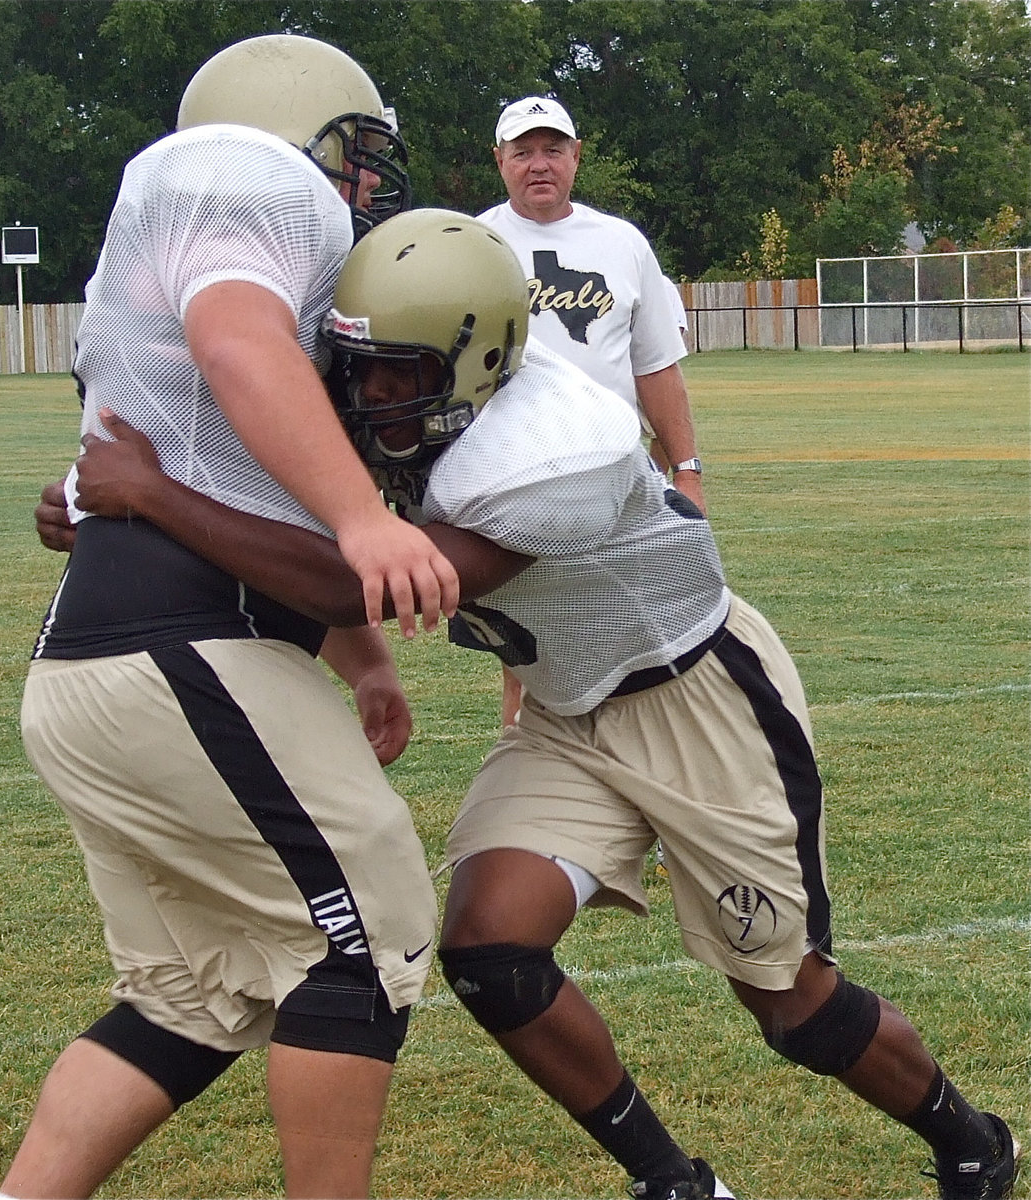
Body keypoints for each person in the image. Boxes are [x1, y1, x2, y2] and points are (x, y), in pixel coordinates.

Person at [57, 208, 1020, 1200]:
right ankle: (673, 1184)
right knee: (490, 950)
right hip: (567, 710)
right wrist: (103, 514)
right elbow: (256, 481)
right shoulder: (397, 395)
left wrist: (156, 502)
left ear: (480, 362)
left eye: (400, 373)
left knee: (794, 1007)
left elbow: (360, 584)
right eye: (359, 367)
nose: (372, 394)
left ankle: (973, 1145)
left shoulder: (558, 448)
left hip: (700, 699)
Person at [0, 36, 459, 1200]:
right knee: (369, 933)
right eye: (352, 154)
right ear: (290, 129)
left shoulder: (169, 221)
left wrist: (364, 661)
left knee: (189, 994)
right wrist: (362, 520)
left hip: (97, 663)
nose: (362, 183)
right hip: (184, 649)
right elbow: (235, 344)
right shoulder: (246, 175)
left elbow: (213, 469)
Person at [473, 96, 705, 728]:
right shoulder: (474, 244)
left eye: (553, 150)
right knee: (526, 650)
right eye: (523, 151)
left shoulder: (621, 243)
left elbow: (656, 367)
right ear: (499, 161)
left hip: (617, 474)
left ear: (576, 157)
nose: (539, 164)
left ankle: (636, 762)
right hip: (515, 476)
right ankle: (529, 761)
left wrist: (687, 472)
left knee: (642, 634)